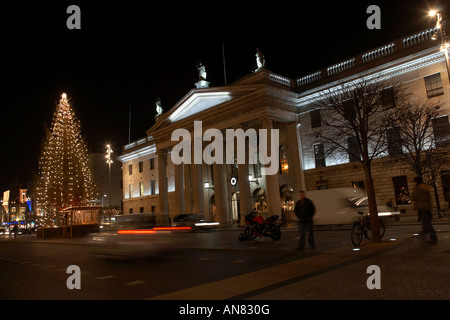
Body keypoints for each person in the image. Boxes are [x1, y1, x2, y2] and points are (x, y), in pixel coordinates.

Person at [411, 176, 438, 244]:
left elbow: (413, 197)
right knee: (426, 223)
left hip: (421, 208)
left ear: (416, 181)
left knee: (427, 224)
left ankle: (434, 238)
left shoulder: (417, 188)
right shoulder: (426, 187)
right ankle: (423, 235)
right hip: (427, 207)